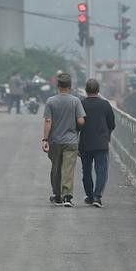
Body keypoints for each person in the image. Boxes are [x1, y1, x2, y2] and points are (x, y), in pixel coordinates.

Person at [42, 73, 85, 207]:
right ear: (70, 86)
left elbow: (48, 121)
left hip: (55, 141)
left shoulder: (50, 101)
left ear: (58, 86)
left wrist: (45, 139)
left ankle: (57, 195)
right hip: (71, 141)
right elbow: (81, 120)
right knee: (68, 169)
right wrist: (78, 126)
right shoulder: (75, 101)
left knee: (56, 168)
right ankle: (67, 196)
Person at [78, 79, 116, 207]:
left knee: (86, 171)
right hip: (101, 142)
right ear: (98, 90)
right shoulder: (105, 104)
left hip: (85, 142)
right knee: (101, 171)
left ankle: (89, 195)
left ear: (86, 90)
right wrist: (107, 134)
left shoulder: (81, 104)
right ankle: (97, 196)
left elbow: (78, 124)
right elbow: (112, 123)